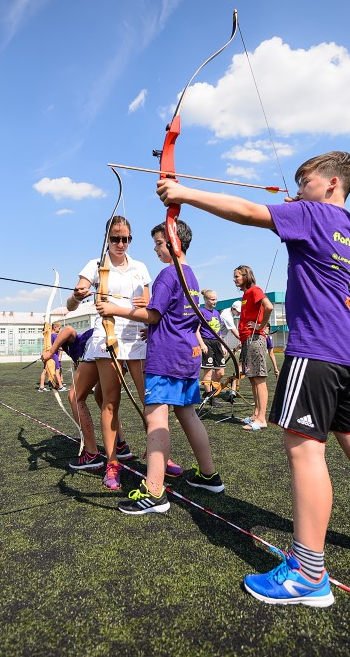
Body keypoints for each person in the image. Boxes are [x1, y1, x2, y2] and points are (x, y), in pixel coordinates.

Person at [157, 151, 350, 607]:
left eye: (306, 180)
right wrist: (303, 206)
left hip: (319, 349)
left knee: (305, 452)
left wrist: (182, 192)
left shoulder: (312, 213)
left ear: (330, 183)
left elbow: (248, 212)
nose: (298, 187)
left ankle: (307, 574)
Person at [95, 219, 225, 514]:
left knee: (156, 421)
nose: (155, 249)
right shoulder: (190, 275)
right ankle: (208, 476)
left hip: (165, 358)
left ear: (174, 243)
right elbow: (174, 317)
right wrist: (154, 328)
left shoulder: (168, 274)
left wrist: (114, 309)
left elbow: (153, 314)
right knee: (188, 415)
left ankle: (154, 492)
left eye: (158, 243)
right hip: (186, 356)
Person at [69, 216, 183, 489]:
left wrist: (147, 304)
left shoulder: (140, 267)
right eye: (116, 238)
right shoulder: (95, 265)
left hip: (137, 341)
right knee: (110, 402)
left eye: (126, 239)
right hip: (107, 339)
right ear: (107, 238)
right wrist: (77, 294)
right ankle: (111, 462)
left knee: (151, 403)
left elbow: (147, 308)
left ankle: (160, 458)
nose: (121, 244)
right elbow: (72, 305)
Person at [41, 324, 132, 469]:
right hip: (119, 347)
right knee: (102, 397)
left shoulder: (77, 341)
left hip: (100, 346)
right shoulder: (73, 351)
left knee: (75, 397)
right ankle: (121, 445)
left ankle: (91, 455)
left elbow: (69, 330)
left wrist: (50, 351)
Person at [233, 265, 273, 431]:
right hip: (248, 340)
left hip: (255, 338)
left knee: (259, 379)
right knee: (252, 378)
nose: (234, 279)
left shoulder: (255, 290)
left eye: (237, 276)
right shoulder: (245, 294)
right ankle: (256, 415)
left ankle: (262, 419)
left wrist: (260, 326)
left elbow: (269, 306)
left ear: (246, 276)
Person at [197, 289, 226, 404]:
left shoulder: (216, 313)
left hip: (217, 343)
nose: (215, 301)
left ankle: (209, 390)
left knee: (220, 373)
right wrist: (202, 344)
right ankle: (210, 397)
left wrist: (223, 345)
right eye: (212, 299)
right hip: (206, 342)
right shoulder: (201, 312)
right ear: (205, 299)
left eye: (216, 299)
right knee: (208, 373)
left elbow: (218, 332)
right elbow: (196, 330)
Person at [38, 323, 67, 392]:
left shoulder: (49, 336)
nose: (59, 329)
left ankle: (41, 387)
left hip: (48, 354)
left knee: (44, 371)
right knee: (57, 370)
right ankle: (60, 386)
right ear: (55, 328)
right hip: (54, 355)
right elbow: (57, 346)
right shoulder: (54, 336)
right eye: (59, 328)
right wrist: (65, 348)